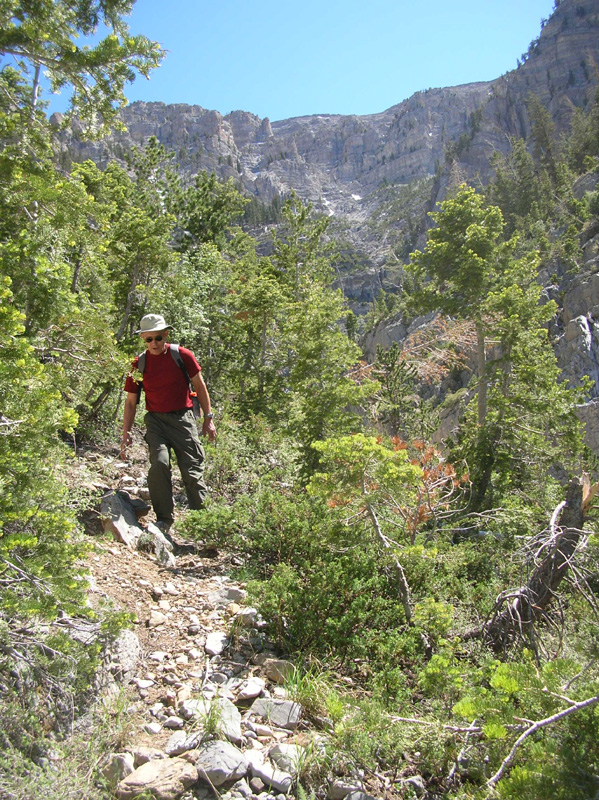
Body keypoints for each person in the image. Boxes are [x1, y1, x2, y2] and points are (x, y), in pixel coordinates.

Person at [120, 314, 217, 532]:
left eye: (158, 338)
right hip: (156, 421)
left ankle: (203, 526)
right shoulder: (138, 364)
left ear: (166, 335)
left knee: (192, 471)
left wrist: (208, 419)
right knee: (159, 464)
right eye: (148, 339)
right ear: (143, 338)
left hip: (183, 419)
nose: (154, 343)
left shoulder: (182, 355)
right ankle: (164, 519)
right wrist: (125, 433)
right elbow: (131, 402)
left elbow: (200, 387)